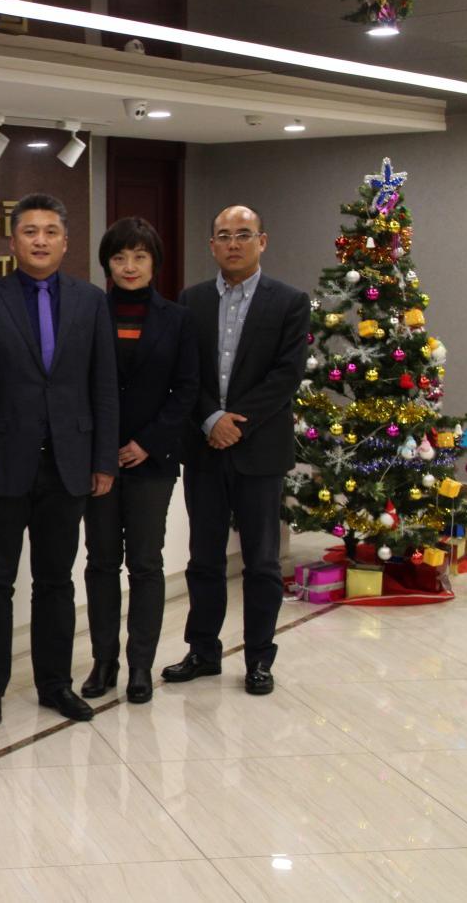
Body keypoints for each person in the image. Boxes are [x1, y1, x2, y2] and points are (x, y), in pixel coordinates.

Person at [0, 193, 118, 726]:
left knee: (56, 581)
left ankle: (55, 684)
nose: (40, 240)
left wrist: (104, 459)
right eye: (30, 231)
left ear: (66, 242)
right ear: (13, 241)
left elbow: (104, 385)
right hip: (3, 464)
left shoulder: (90, 300)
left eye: (50, 231)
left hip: (69, 462)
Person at [162, 205, 308, 695]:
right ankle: (203, 652)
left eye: (243, 235)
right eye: (223, 236)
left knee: (262, 562)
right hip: (204, 447)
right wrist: (211, 418)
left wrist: (235, 423)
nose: (233, 244)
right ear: (211, 245)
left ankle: (259, 658)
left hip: (259, 450)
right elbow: (186, 371)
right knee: (203, 559)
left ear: (262, 241)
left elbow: (286, 375)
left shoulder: (288, 301)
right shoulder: (192, 300)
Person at [79, 217, 198, 705]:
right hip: (99, 461)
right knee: (101, 562)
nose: (129, 266)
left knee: (146, 564)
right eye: (119, 257)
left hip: (153, 461)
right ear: (107, 263)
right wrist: (103, 447)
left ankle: (140, 665)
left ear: (155, 263)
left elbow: (186, 390)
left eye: (140, 257)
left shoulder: (179, 318)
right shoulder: (89, 313)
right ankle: (103, 661)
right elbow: (78, 386)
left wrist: (147, 442)